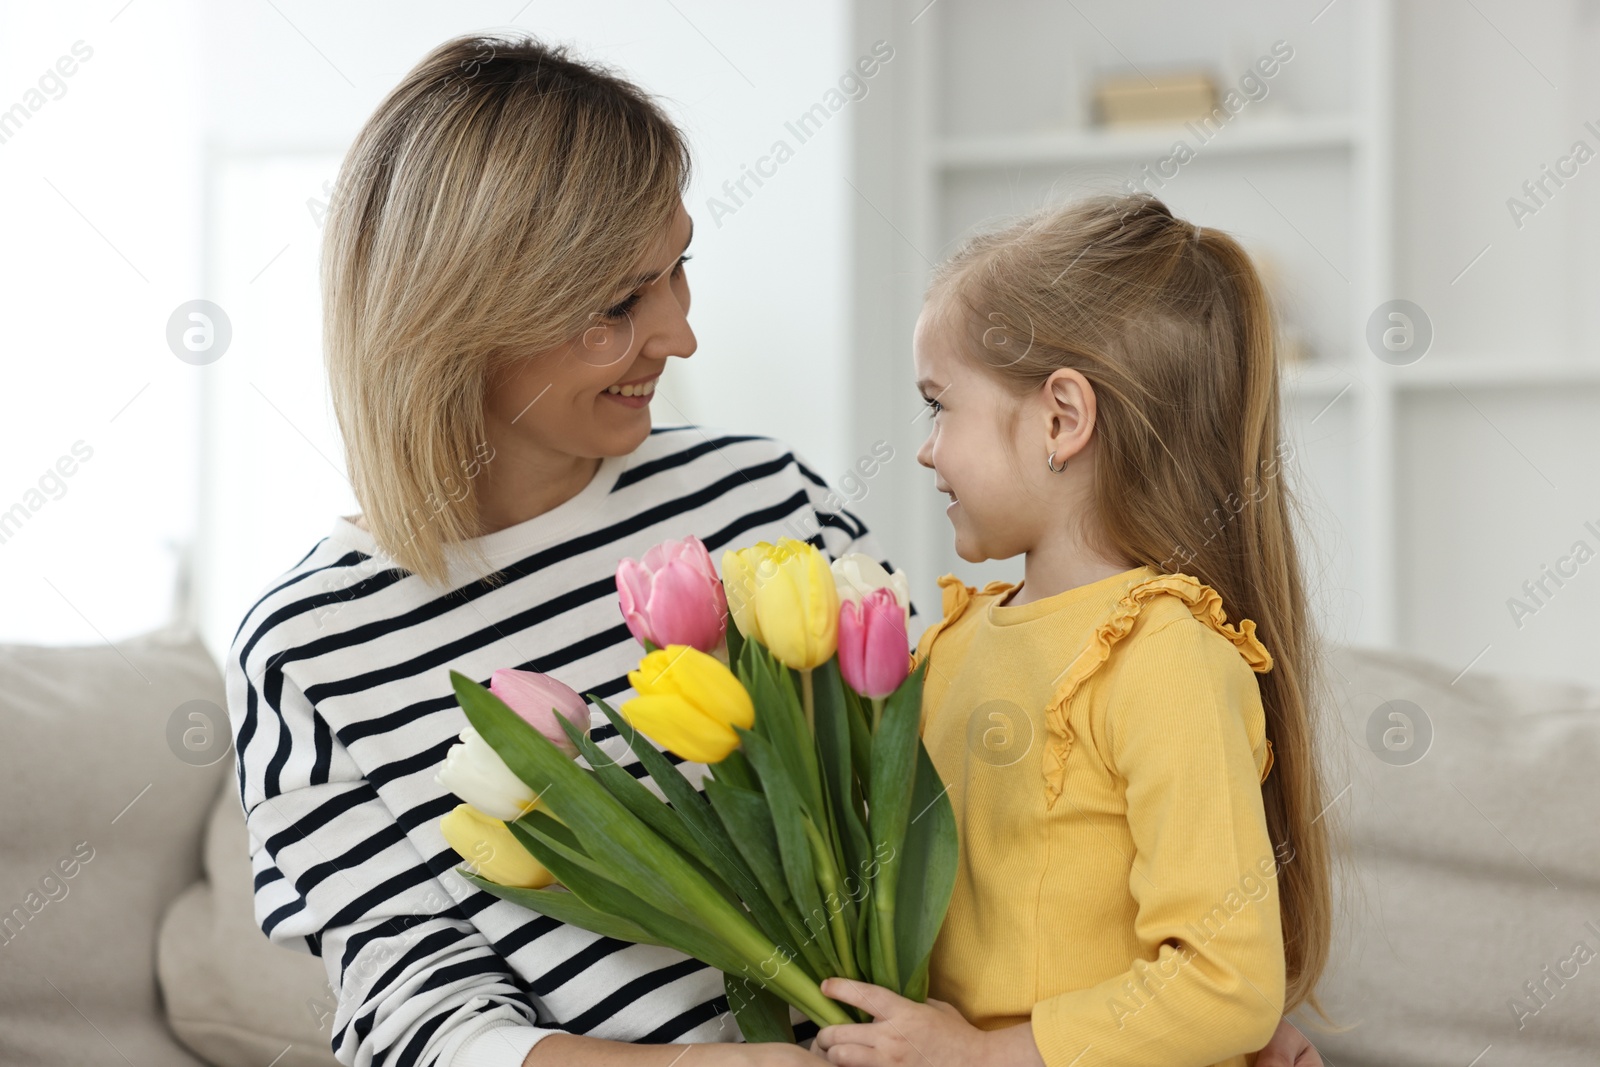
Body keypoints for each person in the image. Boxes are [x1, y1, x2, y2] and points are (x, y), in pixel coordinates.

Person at [225, 32, 1326, 1067]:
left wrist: (1176, 1030)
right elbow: (417, 1024)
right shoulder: (312, 648)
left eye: (677, 269)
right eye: (617, 302)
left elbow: (980, 815)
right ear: (462, 315)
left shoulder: (754, 490)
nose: (680, 332)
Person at [813, 194, 1333, 1066]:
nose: (927, 449)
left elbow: (1225, 983)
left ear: (1062, 419)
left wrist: (977, 1054)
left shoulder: (1164, 656)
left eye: (940, 406)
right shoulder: (953, 643)